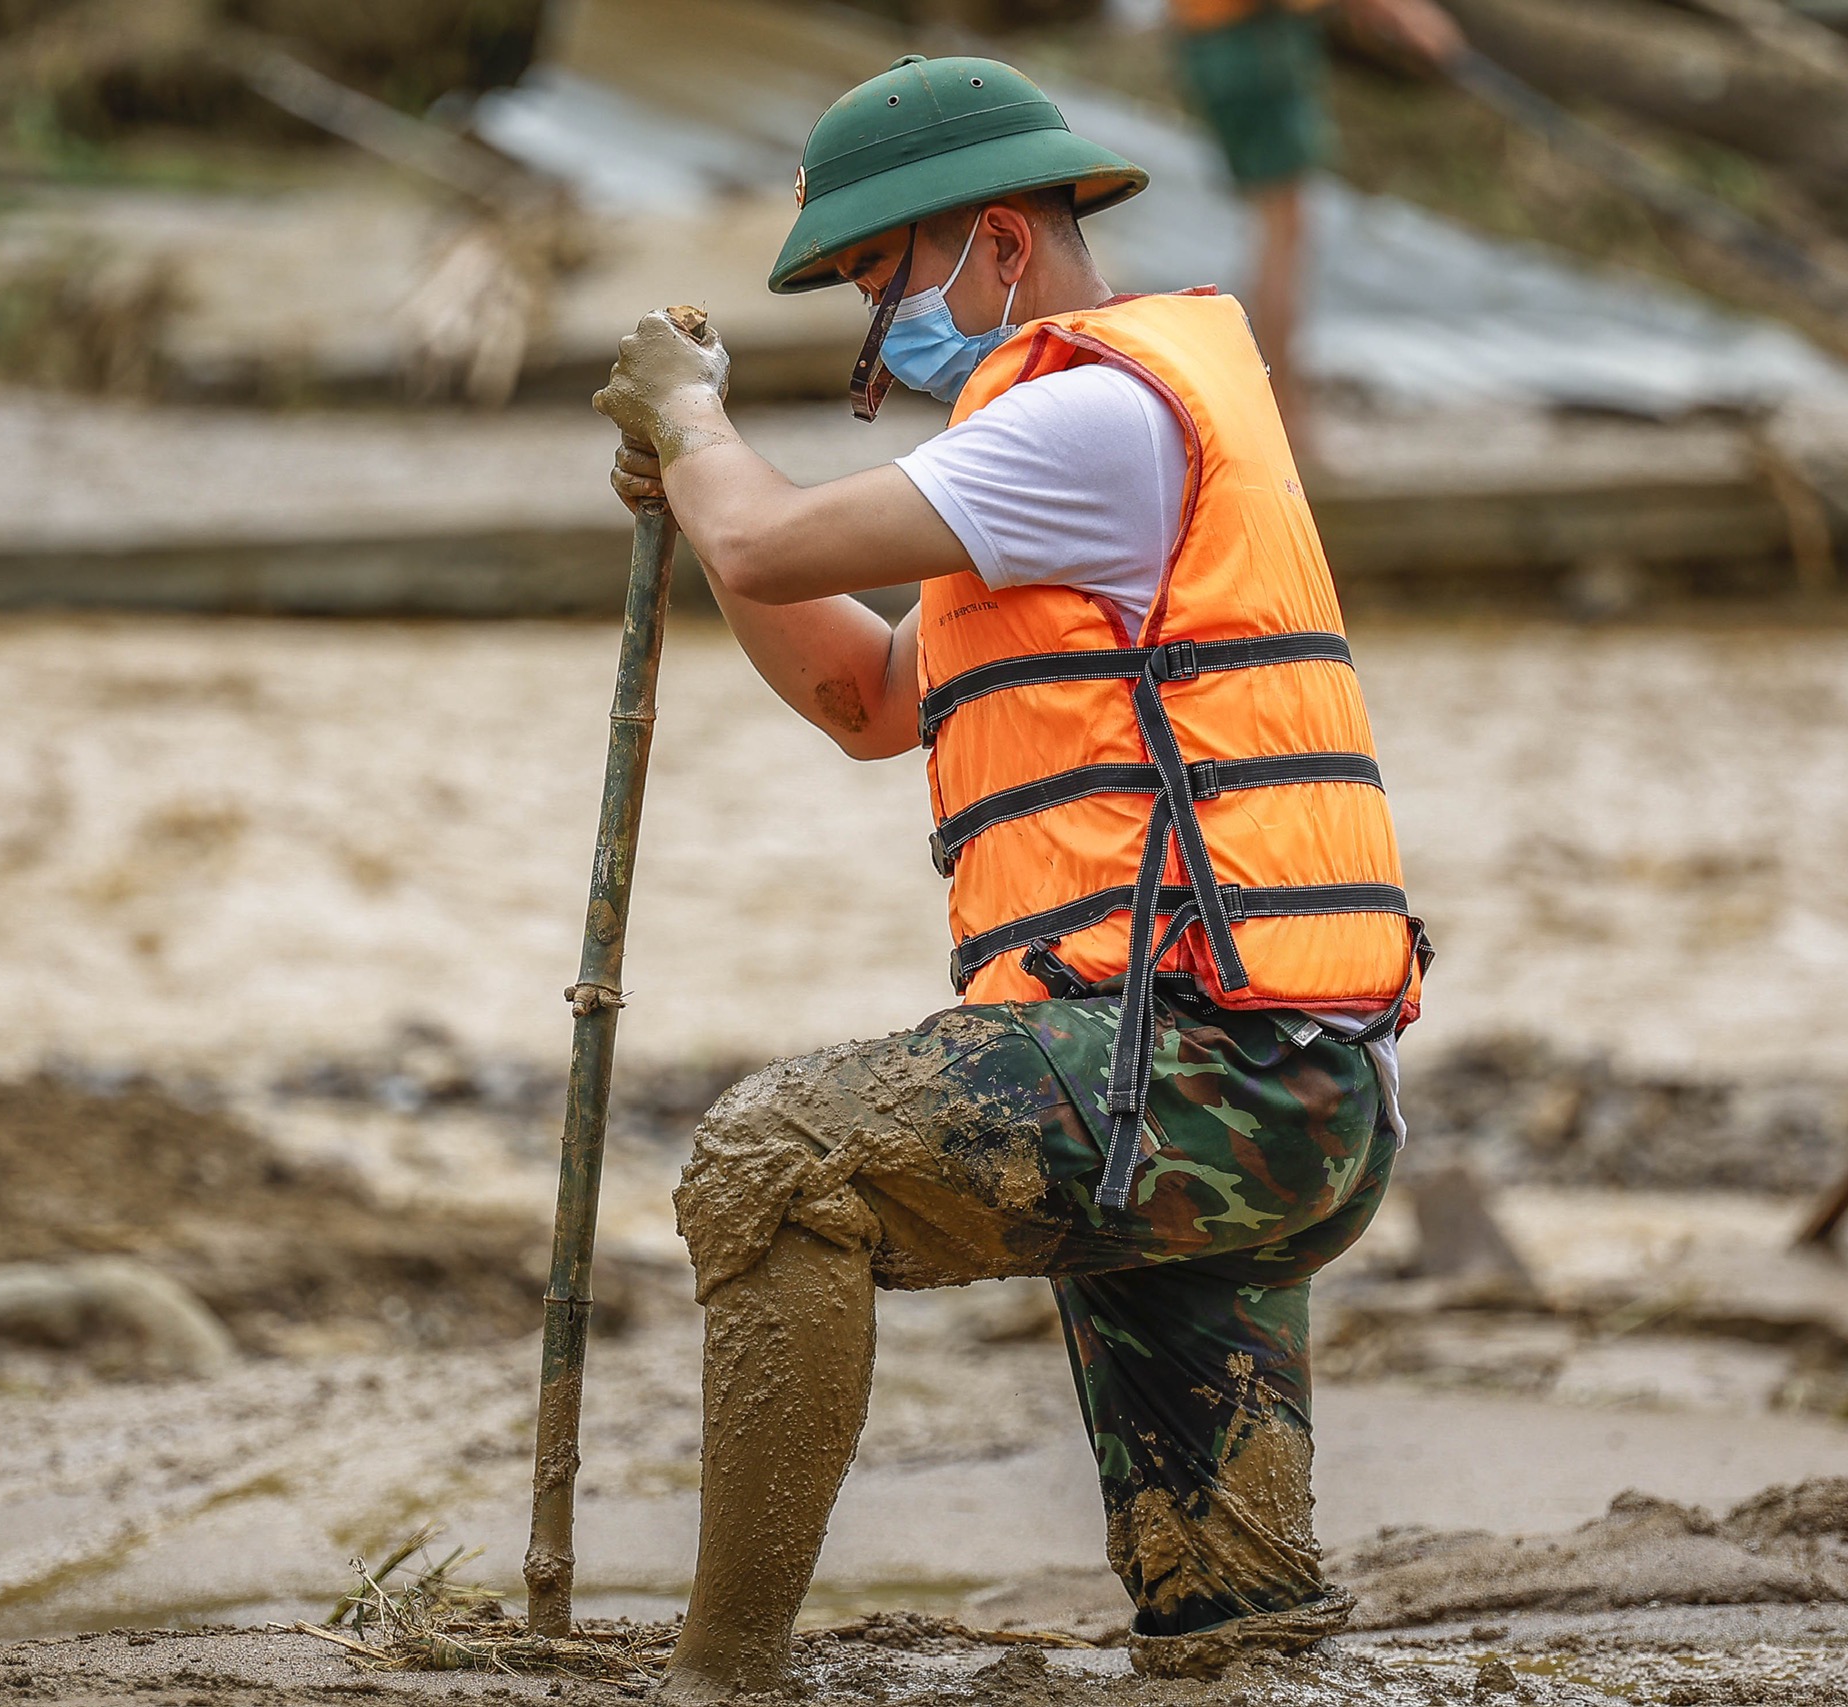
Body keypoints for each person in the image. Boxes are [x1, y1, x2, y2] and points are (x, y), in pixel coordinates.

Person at [591, 54, 1427, 1698]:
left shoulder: (1092, 418)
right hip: (1257, 1085)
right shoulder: (1074, 441)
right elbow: (862, 696)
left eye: (875, 277)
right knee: (1229, 1626)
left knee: (775, 1163)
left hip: (1192, 1071)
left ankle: (722, 1673)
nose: (868, 320)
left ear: (994, 242)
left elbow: (767, 542)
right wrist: (698, 496)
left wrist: (695, 433)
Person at [1167, 0, 1466, 438]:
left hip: (1239, 37)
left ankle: (1280, 413)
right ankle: (1283, 421)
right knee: (1283, 229)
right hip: (1252, 41)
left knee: (1281, 229)